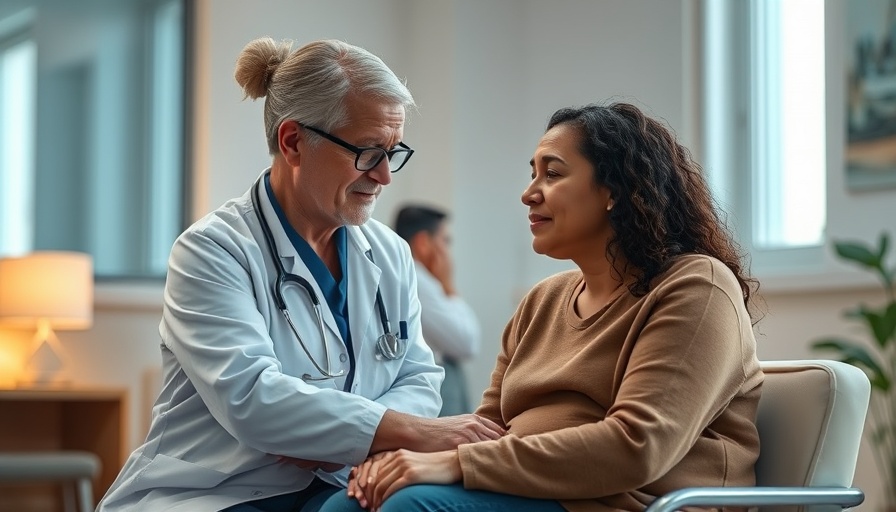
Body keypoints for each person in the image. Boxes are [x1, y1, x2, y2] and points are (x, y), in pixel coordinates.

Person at [96, 37, 505, 512]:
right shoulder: (212, 250)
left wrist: (347, 439)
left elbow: (417, 375)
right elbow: (255, 400)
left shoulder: (389, 253)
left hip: (339, 483)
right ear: (293, 141)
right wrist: (408, 431)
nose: (385, 176)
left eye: (393, 152)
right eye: (369, 152)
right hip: (218, 491)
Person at [318, 101, 765, 512]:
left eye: (552, 174)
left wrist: (455, 465)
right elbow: (488, 427)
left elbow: (638, 445)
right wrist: (408, 458)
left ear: (614, 189)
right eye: (532, 173)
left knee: (409, 508)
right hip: (531, 491)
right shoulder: (543, 301)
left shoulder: (696, 287)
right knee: (347, 505)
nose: (529, 193)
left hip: (622, 502)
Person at [393, 205, 481, 416]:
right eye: (445, 241)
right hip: (433, 389)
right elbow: (466, 343)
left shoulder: (408, 274)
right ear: (423, 243)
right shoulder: (417, 279)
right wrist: (448, 284)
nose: (447, 250)